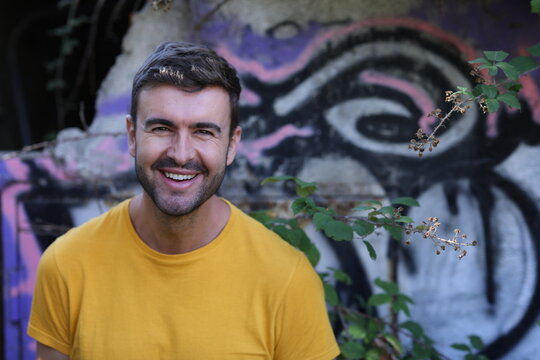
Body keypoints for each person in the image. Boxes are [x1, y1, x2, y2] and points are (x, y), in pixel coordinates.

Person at [28, 41, 340, 360]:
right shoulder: (67, 264)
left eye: (203, 131)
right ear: (132, 135)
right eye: (162, 128)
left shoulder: (287, 278)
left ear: (232, 145)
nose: (180, 154)